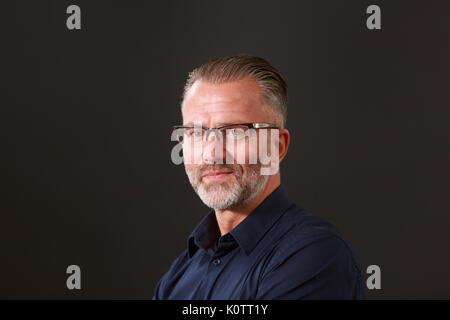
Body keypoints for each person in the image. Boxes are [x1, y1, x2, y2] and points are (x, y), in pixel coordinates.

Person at [153, 54, 364, 299]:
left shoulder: (316, 256)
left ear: (277, 147)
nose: (212, 153)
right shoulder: (180, 274)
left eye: (235, 131)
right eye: (196, 133)